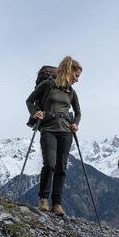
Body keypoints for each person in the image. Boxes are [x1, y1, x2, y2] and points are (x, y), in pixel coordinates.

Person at [25, 56, 82, 215]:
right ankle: (43, 199)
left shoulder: (71, 92)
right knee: (49, 164)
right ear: (68, 71)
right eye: (76, 75)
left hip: (66, 132)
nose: (77, 80)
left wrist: (75, 123)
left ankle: (57, 204)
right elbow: (29, 101)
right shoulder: (47, 85)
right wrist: (35, 114)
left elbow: (78, 112)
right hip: (48, 129)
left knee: (61, 168)